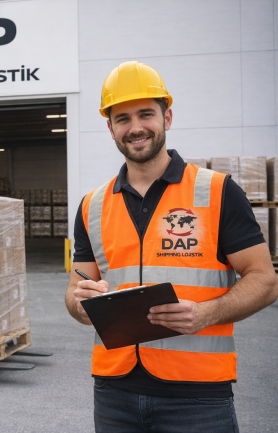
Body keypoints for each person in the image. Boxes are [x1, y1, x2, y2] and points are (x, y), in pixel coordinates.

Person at [65, 61, 278, 433]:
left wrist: (207, 313)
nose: (135, 127)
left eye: (146, 114)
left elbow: (265, 280)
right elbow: (73, 293)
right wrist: (80, 304)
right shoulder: (91, 206)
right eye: (122, 118)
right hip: (114, 391)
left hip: (197, 395)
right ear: (110, 128)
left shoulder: (217, 191)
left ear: (167, 117)